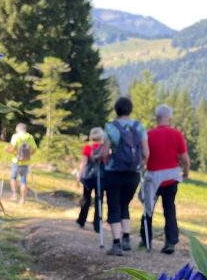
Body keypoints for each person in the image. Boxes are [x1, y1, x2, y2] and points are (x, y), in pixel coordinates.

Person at [95, 96, 149, 256]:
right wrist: (142, 164)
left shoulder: (111, 127)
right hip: (133, 173)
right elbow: (146, 152)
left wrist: (99, 157)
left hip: (114, 172)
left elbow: (104, 152)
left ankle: (117, 243)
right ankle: (126, 237)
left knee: (114, 206)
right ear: (130, 109)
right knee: (125, 204)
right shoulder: (139, 127)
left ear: (116, 110)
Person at [140, 104, 190, 254]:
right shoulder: (176, 134)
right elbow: (184, 158)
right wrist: (185, 173)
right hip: (171, 178)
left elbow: (144, 156)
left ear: (157, 117)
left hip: (152, 176)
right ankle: (170, 242)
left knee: (148, 208)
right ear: (169, 117)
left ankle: (146, 239)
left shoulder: (149, 134)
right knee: (169, 209)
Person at [76, 127, 105, 232]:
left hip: (88, 177)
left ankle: (81, 220)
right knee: (99, 200)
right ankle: (97, 225)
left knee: (86, 198)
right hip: (101, 177)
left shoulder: (88, 148)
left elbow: (84, 163)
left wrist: (79, 175)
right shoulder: (104, 148)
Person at [5, 123, 37, 204]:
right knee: (23, 180)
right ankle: (23, 199)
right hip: (26, 162)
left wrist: (7, 150)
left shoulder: (16, 136)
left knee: (13, 178)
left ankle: (14, 194)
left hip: (16, 161)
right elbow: (34, 150)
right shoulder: (30, 137)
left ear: (17, 129)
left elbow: (13, 148)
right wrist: (28, 155)